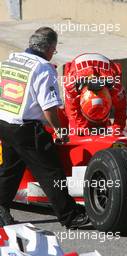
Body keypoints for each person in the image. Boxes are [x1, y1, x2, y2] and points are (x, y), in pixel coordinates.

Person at [0, 27, 89, 228]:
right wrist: (60, 130)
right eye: (54, 50)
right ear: (48, 48)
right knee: (51, 172)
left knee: (10, 170)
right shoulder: (43, 68)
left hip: (4, 122)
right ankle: (70, 217)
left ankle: (0, 208)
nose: (53, 54)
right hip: (26, 129)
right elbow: (48, 107)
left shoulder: (11, 59)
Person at [64, 53, 127, 135]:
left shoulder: (116, 86)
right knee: (75, 130)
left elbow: (122, 108)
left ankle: (105, 123)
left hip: (107, 70)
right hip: (77, 71)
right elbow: (72, 111)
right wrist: (82, 128)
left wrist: (117, 129)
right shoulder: (71, 86)